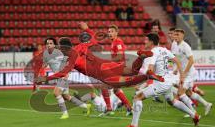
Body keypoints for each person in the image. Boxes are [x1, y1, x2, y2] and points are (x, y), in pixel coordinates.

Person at [122, 33, 200, 127]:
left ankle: (134, 125)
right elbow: (177, 61)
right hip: (168, 81)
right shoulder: (164, 50)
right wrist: (182, 76)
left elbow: (150, 70)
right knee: (172, 102)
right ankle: (194, 115)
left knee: (137, 97)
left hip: (161, 83)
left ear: (151, 41)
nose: (144, 42)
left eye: (146, 40)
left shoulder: (153, 52)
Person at [35, 34, 164, 91]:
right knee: (132, 71)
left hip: (104, 73)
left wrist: (45, 78)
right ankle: (140, 58)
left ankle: (148, 75)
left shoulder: (71, 60)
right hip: (107, 64)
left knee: (123, 83)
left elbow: (62, 73)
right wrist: (89, 31)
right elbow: (92, 41)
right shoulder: (80, 47)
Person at [41, 37, 91, 119]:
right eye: (47, 43)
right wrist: (43, 65)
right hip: (58, 76)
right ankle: (86, 106)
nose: (49, 45)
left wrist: (67, 73)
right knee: (66, 96)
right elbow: (45, 64)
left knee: (56, 93)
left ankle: (65, 113)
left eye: (51, 43)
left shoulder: (59, 53)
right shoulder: (45, 54)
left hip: (63, 75)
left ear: (54, 45)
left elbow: (68, 61)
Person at [172, 29, 212, 116]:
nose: (175, 36)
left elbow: (191, 60)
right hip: (182, 73)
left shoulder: (185, 46)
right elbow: (177, 59)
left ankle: (193, 112)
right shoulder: (175, 45)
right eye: (174, 35)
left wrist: (184, 73)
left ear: (182, 36)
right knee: (188, 93)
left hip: (189, 74)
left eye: (177, 35)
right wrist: (175, 69)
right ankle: (206, 104)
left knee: (180, 92)